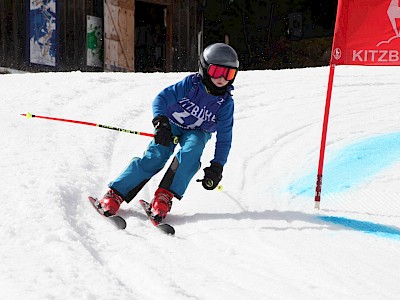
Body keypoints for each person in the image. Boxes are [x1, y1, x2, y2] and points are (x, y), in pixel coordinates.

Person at [98, 43, 239, 222]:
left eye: (229, 73)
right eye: (217, 71)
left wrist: (217, 166)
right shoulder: (191, 84)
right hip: (172, 124)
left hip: (198, 131)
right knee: (156, 155)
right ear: (205, 68)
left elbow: (225, 137)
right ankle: (116, 192)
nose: (222, 78)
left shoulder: (225, 104)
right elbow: (162, 98)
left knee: (192, 150)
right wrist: (161, 122)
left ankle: (164, 196)